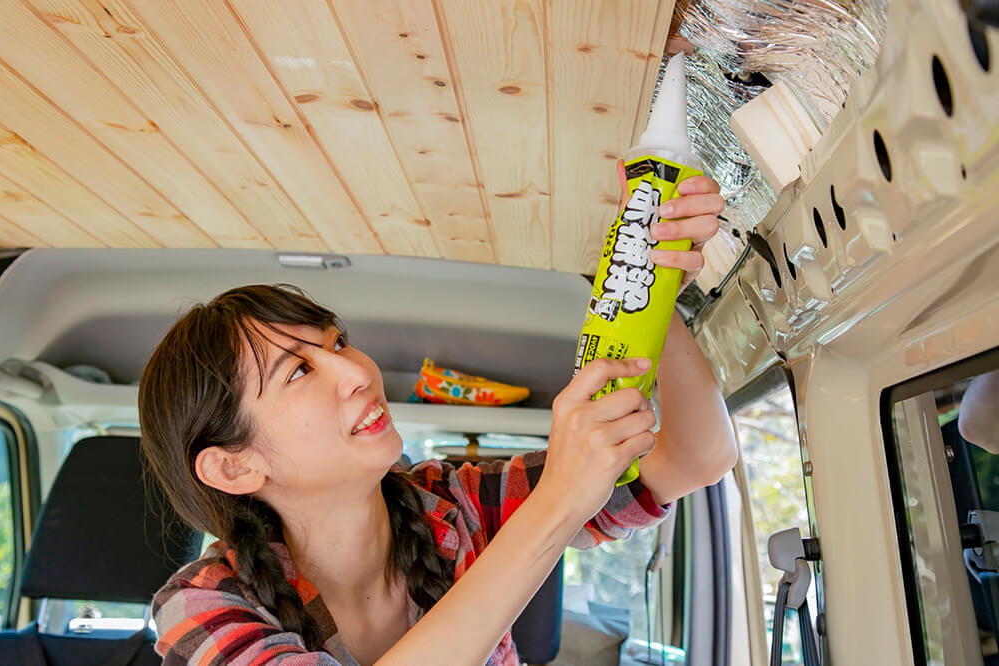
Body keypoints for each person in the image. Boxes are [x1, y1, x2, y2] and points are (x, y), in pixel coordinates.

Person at [139, 173, 738, 665]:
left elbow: (696, 458)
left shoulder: (458, 504)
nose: (358, 372)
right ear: (233, 466)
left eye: (338, 342)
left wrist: (656, 291)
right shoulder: (200, 608)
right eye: (298, 371)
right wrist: (558, 502)